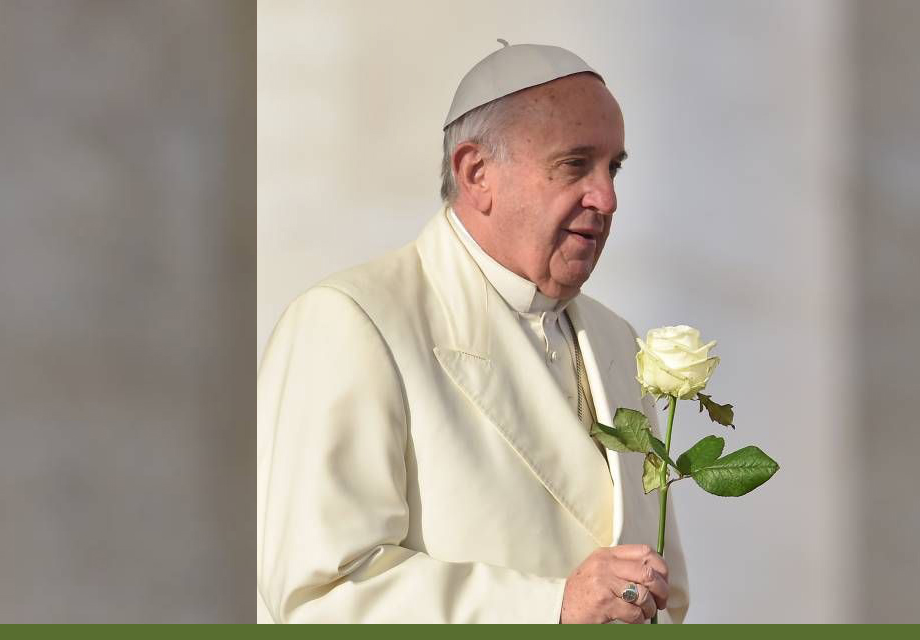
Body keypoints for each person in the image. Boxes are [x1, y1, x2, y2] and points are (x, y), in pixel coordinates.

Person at [256, 41, 687, 623]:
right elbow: (321, 597)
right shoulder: (353, 321)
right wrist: (549, 607)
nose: (606, 197)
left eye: (613, 167)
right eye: (574, 165)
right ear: (476, 172)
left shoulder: (617, 342)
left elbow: (663, 591)